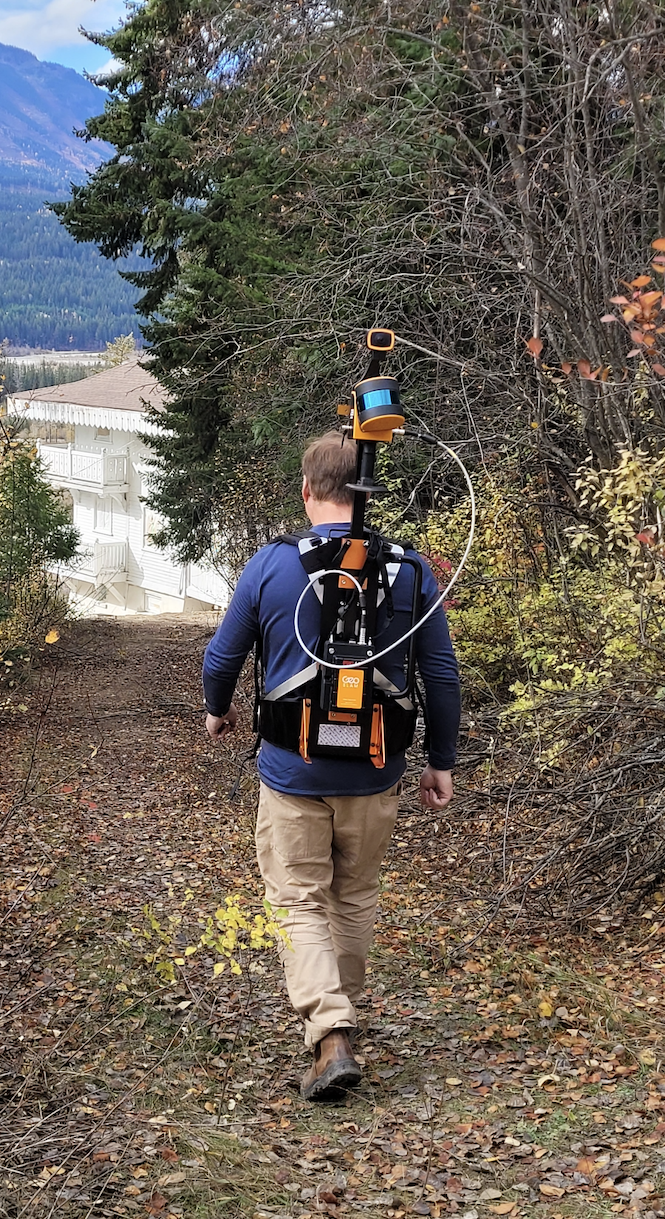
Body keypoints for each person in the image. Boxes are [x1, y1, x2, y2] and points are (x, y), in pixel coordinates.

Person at [202, 432, 460, 1102]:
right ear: (368, 492)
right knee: (354, 895)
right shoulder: (409, 568)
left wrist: (215, 709)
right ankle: (337, 1021)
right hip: (377, 770)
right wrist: (442, 761)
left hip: (293, 770)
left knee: (297, 897)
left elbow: (222, 658)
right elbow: (439, 672)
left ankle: (330, 1031)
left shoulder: (271, 565)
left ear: (309, 491)